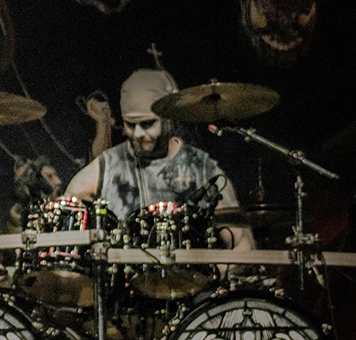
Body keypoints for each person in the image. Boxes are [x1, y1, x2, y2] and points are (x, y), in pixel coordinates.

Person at [64, 68, 254, 252]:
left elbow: (244, 244)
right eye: (130, 124)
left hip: (195, 282)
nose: (138, 134)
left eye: (147, 123)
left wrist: (216, 271)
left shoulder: (202, 169)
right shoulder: (109, 166)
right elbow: (67, 207)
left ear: (169, 117)